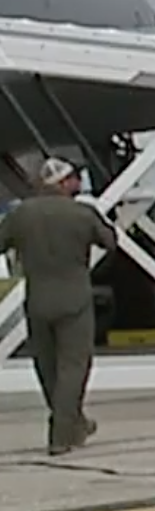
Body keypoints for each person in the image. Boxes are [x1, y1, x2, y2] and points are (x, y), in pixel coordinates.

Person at [0, 156, 117, 454]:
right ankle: (62, 433)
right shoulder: (82, 212)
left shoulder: (21, 214)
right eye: (75, 177)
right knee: (74, 366)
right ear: (64, 182)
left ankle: (73, 421)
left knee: (48, 367)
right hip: (74, 298)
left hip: (37, 299)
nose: (79, 182)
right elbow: (110, 241)